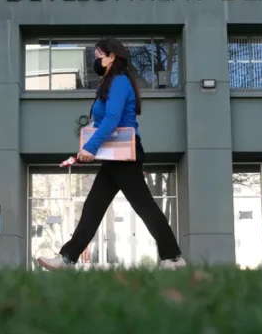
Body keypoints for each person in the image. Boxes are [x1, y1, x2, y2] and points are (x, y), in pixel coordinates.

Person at [38, 39, 187, 271]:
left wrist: (90, 148)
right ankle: (67, 258)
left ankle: (174, 258)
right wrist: (87, 148)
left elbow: (111, 120)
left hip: (125, 155)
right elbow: (101, 122)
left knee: (143, 206)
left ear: (112, 57)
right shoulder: (109, 83)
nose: (95, 59)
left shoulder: (119, 82)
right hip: (116, 156)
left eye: (98, 55)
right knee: (93, 207)